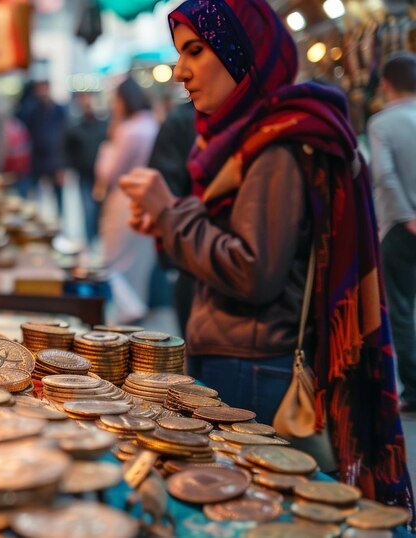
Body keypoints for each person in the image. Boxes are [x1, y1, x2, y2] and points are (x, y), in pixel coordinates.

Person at [119, 0, 413, 511]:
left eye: (196, 50)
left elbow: (253, 271)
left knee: (248, 508)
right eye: (179, 53)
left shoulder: (275, 146)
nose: (182, 70)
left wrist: (171, 215)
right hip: (244, 359)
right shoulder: (248, 139)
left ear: (242, 54)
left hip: (255, 370)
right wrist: (171, 223)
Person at [367, 52, 416, 413]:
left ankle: (414, 389)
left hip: (401, 225)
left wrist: (406, 215)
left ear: (385, 84)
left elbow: (383, 174)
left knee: (400, 307)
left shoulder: (382, 123)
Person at [95, 78, 159, 323]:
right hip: (147, 200)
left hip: (123, 200)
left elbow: (109, 173)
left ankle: (127, 314)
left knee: (114, 264)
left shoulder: (128, 129)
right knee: (137, 268)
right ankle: (135, 313)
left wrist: (107, 145)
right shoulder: (152, 123)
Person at [147, 101, 197, 336]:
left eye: (195, 60)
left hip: (195, 264)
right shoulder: (186, 120)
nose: (180, 73)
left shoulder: (181, 121)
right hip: (195, 262)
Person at [16, 80, 67, 213]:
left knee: (58, 199)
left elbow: (63, 139)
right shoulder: (32, 110)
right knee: (34, 199)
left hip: (54, 160)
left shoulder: (59, 110)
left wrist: (61, 165)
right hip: (36, 161)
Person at [64, 92, 108, 246]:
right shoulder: (76, 127)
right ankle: (90, 243)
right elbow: (68, 150)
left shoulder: (104, 126)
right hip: (85, 176)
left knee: (101, 212)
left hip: (102, 177)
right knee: (88, 211)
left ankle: (99, 239)